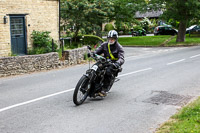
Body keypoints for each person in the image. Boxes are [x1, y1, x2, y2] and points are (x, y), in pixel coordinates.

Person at [94, 30, 125, 96]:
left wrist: (117, 63)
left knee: (108, 72)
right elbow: (97, 51)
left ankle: (104, 89)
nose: (111, 40)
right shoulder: (104, 45)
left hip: (113, 64)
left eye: (112, 39)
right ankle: (91, 84)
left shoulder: (119, 47)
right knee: (95, 68)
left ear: (116, 39)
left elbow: (121, 58)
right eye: (109, 38)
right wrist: (92, 53)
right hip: (105, 61)